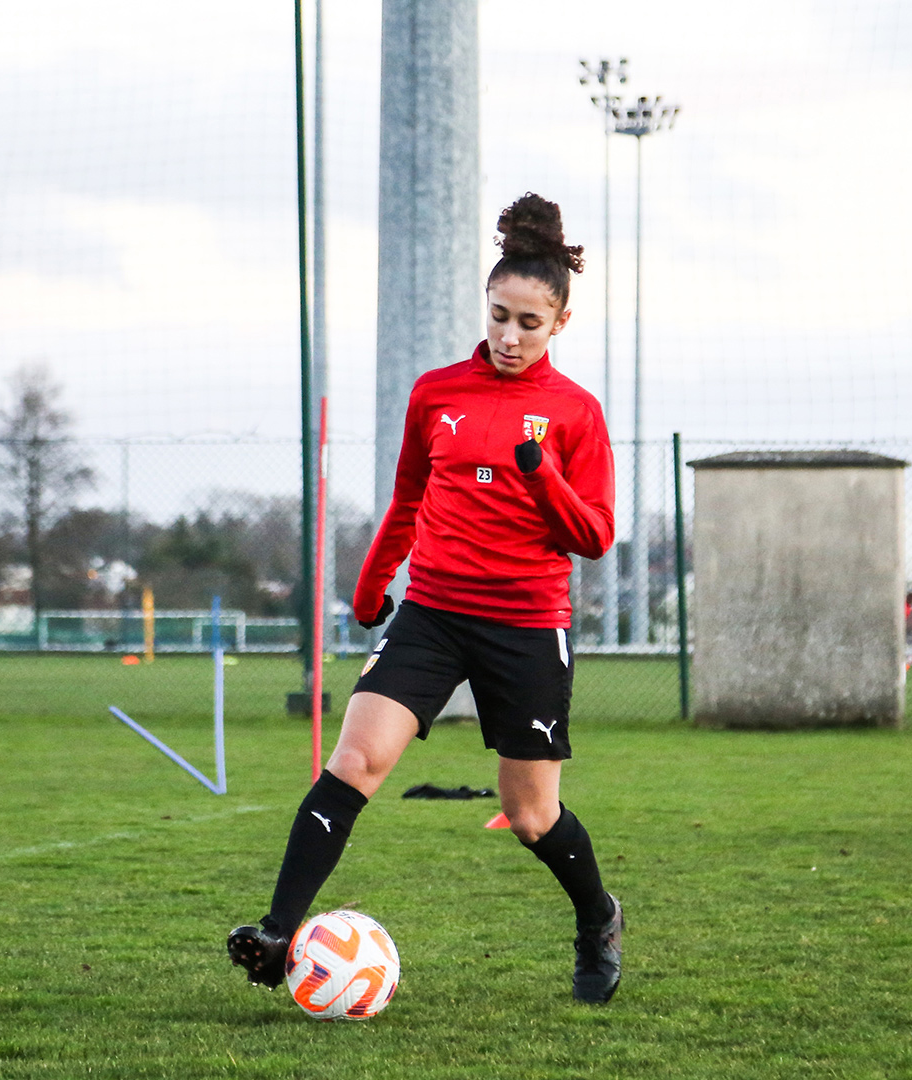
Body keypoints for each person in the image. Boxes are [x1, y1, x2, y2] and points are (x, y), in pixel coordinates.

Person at [226, 194, 623, 1004]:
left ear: (560, 324)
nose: (510, 337)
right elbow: (406, 499)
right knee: (356, 761)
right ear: (486, 306)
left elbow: (594, 537)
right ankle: (276, 934)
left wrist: (540, 474)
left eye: (530, 324)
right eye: (500, 316)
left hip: (525, 625)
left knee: (531, 815)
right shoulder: (436, 393)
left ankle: (598, 916)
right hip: (433, 614)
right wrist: (375, 584)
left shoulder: (577, 414)